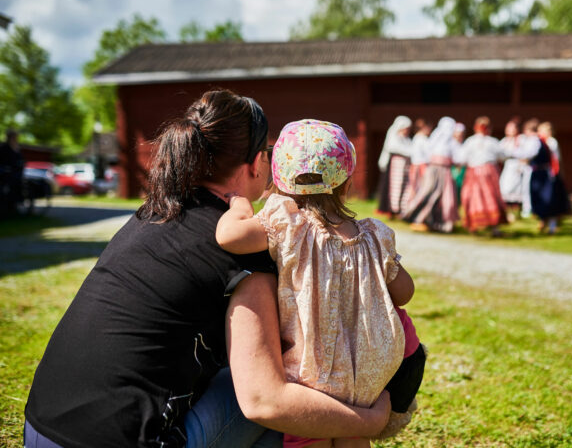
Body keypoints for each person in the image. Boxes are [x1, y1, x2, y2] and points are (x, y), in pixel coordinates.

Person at [24, 91, 392, 447]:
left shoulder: (152, 214)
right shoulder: (246, 251)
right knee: (297, 387)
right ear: (254, 165)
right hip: (126, 440)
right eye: (267, 152)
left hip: (40, 430)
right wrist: (369, 420)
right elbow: (264, 401)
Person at [216, 119, 426, 448]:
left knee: (309, 439)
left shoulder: (288, 224)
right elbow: (405, 292)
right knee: (354, 439)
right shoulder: (372, 235)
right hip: (364, 377)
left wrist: (238, 204)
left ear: (280, 181)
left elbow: (229, 236)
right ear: (346, 183)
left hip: (309, 379)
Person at [511, 119, 572, 234]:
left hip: (546, 175)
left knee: (549, 200)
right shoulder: (540, 141)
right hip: (538, 174)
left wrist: (511, 152)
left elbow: (554, 159)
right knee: (540, 199)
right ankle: (544, 221)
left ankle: (552, 225)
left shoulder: (546, 142)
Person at [402, 116, 459, 233]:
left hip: (438, 170)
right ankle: (420, 218)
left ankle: (433, 222)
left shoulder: (440, 139)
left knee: (438, 196)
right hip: (438, 170)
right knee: (434, 195)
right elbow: (457, 157)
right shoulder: (442, 139)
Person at [458, 116, 507, 236]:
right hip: (488, 172)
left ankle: (474, 225)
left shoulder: (471, 141)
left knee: (475, 197)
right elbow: (502, 156)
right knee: (490, 197)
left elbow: (462, 158)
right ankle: (493, 227)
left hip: (474, 172)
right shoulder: (492, 142)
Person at [376, 116, 412, 218]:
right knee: (389, 188)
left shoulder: (406, 139)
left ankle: (398, 209)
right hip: (392, 167)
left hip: (403, 168)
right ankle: (388, 209)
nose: (407, 131)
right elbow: (392, 147)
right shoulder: (393, 135)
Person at [498, 118, 526, 221]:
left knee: (518, 189)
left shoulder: (521, 139)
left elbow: (525, 153)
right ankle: (509, 212)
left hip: (518, 166)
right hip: (508, 167)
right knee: (505, 188)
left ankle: (518, 211)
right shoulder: (504, 141)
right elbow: (499, 154)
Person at [0, 129, 24, 214]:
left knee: (18, 188)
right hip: (7, 173)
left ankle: (14, 206)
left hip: (17, 173)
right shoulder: (4, 148)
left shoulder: (17, 148)